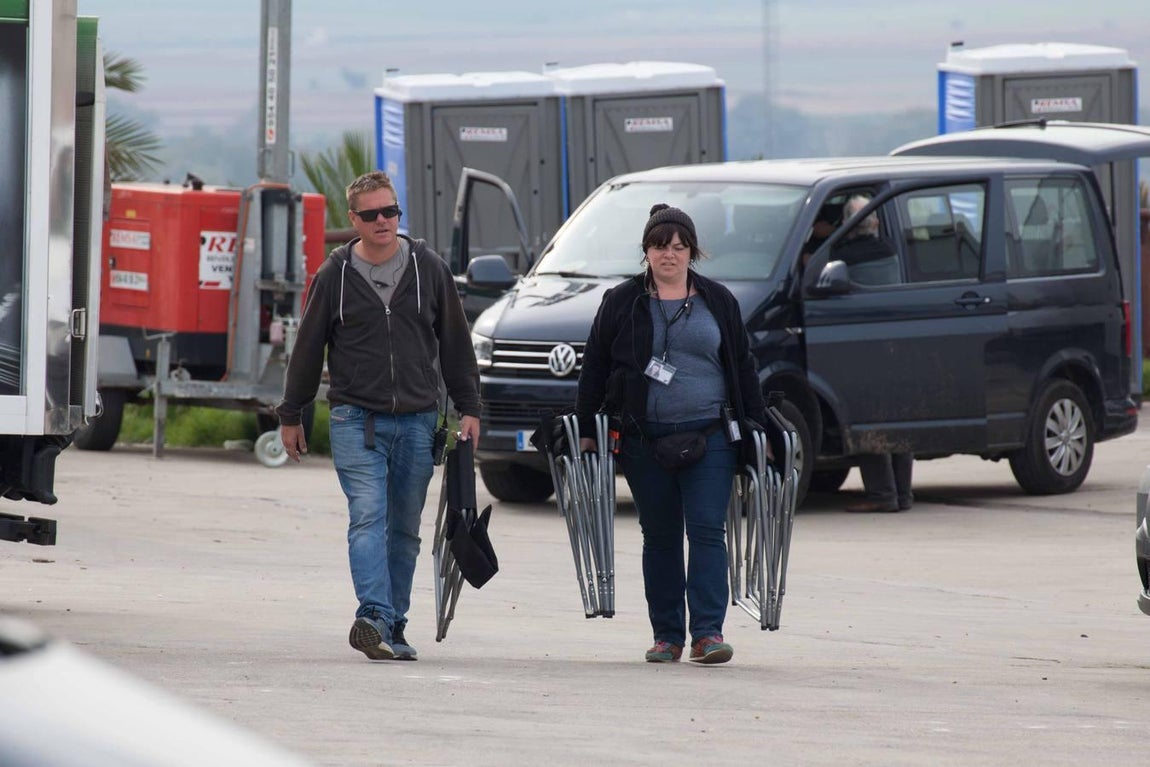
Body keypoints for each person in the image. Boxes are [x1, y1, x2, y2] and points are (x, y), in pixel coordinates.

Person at [276, 170, 481, 661]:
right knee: (368, 515)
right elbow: (307, 349)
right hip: (355, 419)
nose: (383, 221)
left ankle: (392, 623)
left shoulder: (428, 269)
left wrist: (469, 406)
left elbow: (455, 341)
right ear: (354, 221)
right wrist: (291, 413)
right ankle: (372, 613)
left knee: (405, 528)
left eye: (391, 211)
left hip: (417, 420)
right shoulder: (335, 276)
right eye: (371, 215)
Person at [575, 203, 768, 665]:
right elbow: (595, 366)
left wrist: (758, 428)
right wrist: (585, 428)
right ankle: (667, 636)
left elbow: (743, 365)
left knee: (706, 530)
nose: (670, 254)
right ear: (646, 251)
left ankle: (707, 634)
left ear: (692, 252)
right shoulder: (622, 301)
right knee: (659, 535)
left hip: (710, 434)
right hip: (644, 437)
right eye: (661, 246)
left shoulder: (718, 300)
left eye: (680, 246)